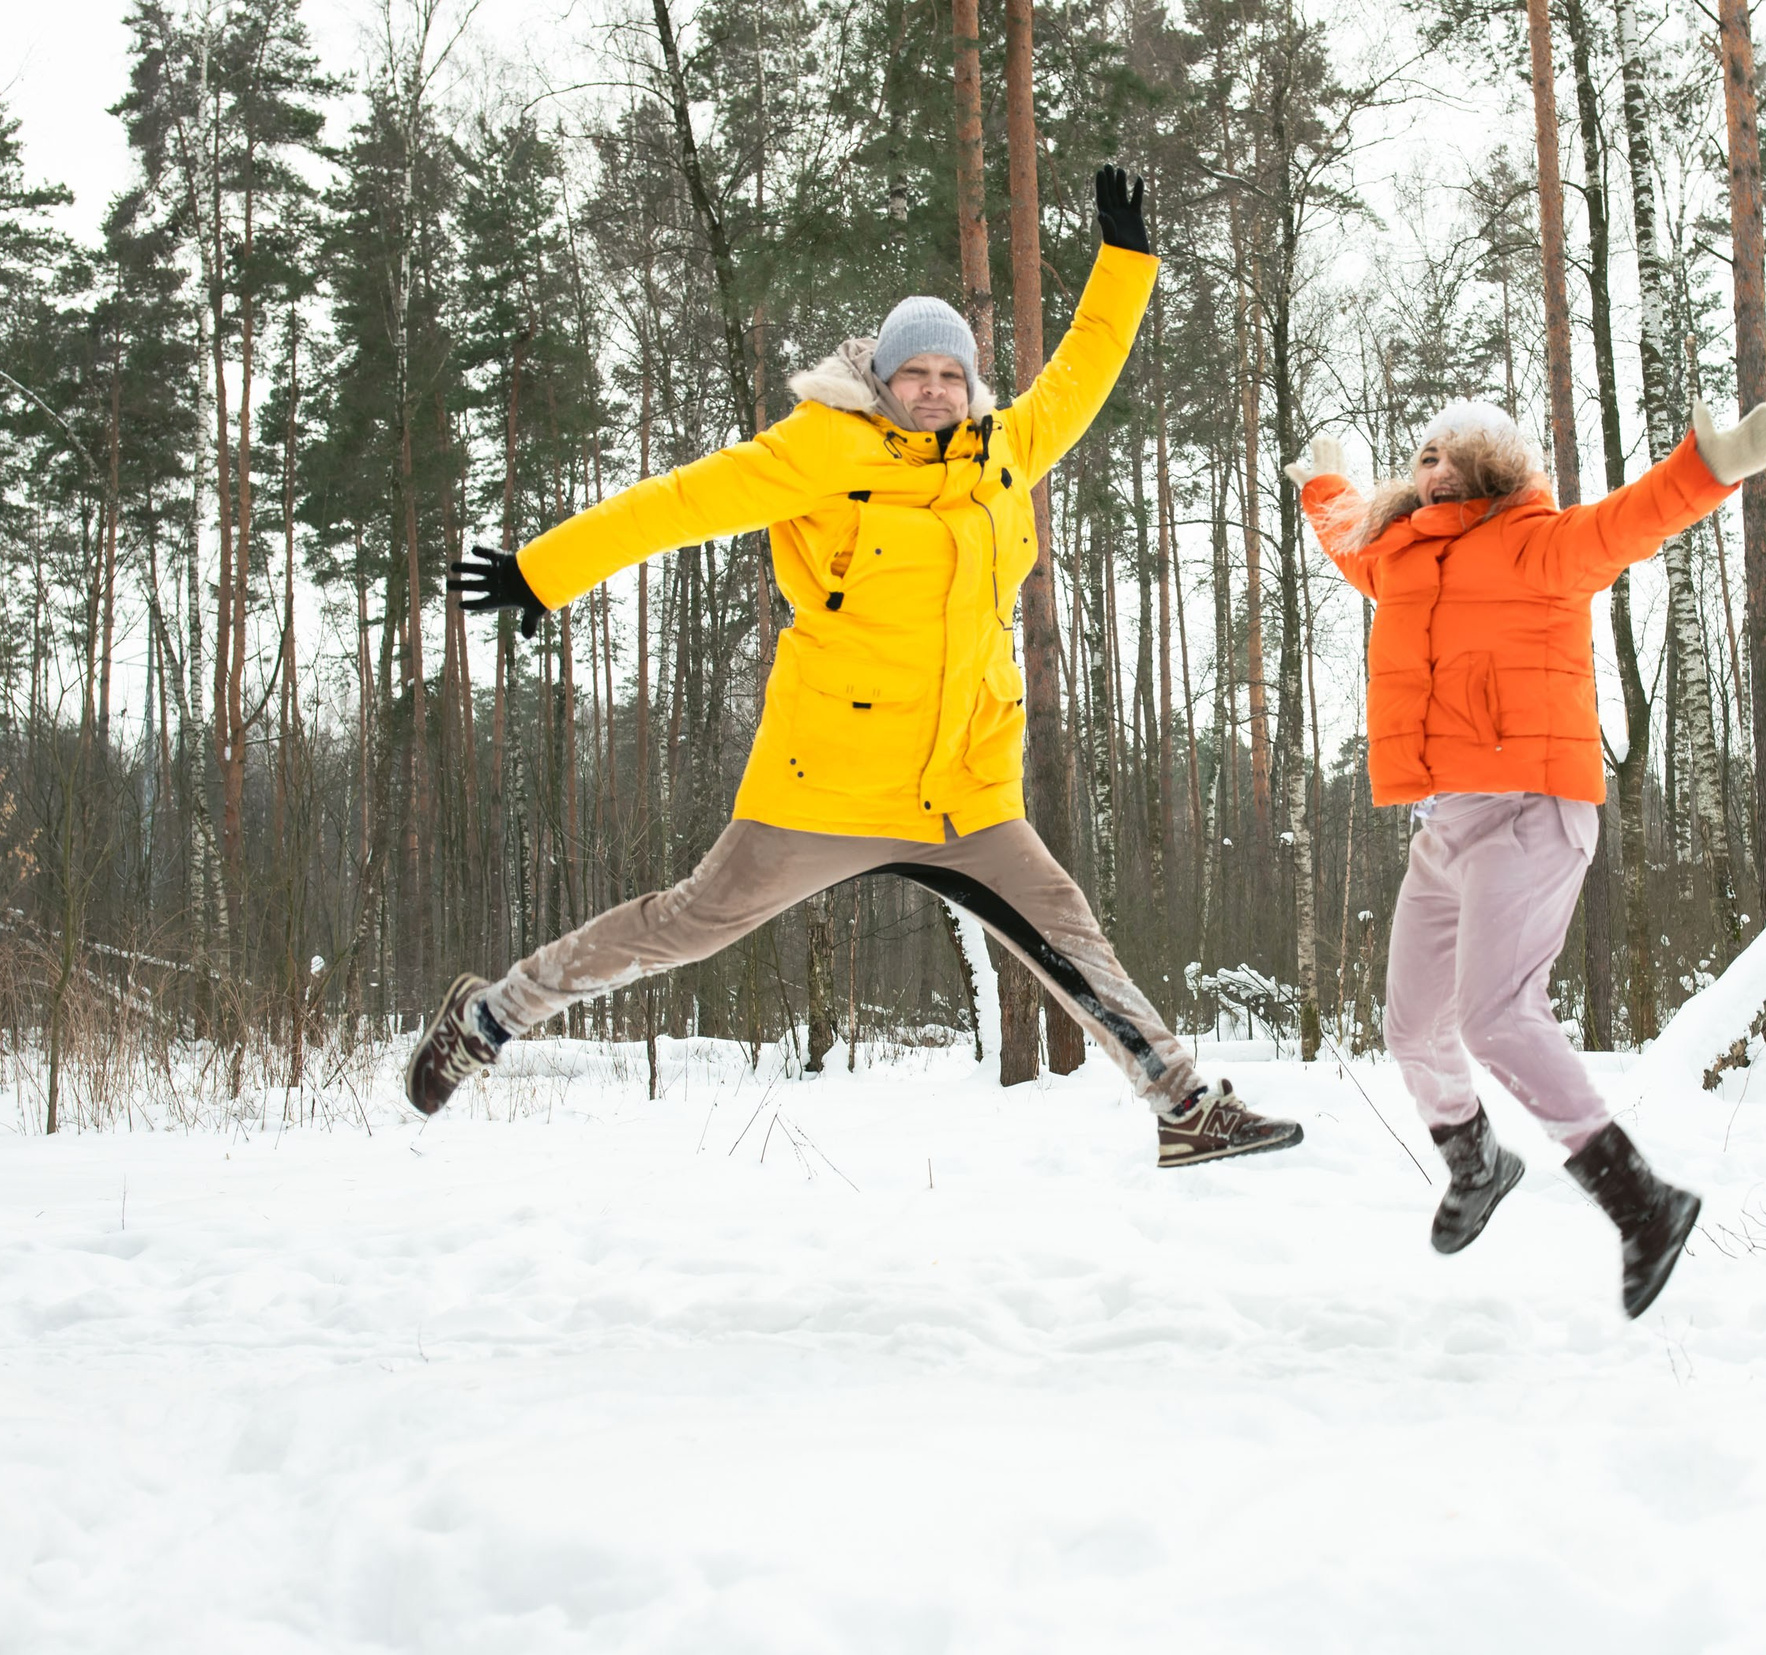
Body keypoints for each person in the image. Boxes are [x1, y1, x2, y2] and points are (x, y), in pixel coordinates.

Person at [409, 165, 1301, 1170]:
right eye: (915, 372)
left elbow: (1082, 372)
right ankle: (493, 1013)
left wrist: (1125, 262)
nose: (935, 389)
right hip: (828, 781)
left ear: (971, 384)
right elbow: (678, 503)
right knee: (691, 924)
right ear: (881, 378)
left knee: (1070, 936)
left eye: (951, 374)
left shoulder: (1004, 453)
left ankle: (1182, 1105)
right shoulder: (820, 452)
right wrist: (543, 572)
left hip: (961, 783)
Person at [1287, 397, 1766, 1316]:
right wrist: (1324, 484)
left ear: (1494, 463)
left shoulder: (1537, 543)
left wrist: (1708, 467)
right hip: (1444, 824)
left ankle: (1642, 1202)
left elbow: (1627, 523)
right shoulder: (1398, 558)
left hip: (1530, 808)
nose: (1434, 466)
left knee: (1496, 1016)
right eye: (1423, 454)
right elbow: (1346, 539)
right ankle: (1476, 1161)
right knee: (1413, 1025)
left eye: (1454, 454)